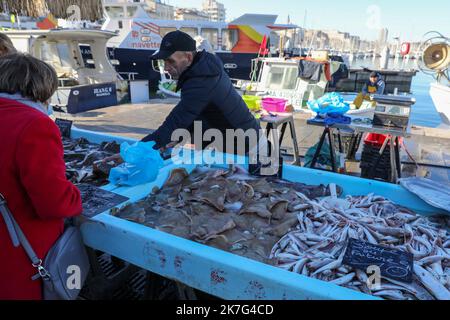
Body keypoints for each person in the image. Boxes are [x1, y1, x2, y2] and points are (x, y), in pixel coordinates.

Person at [0, 53, 82, 300]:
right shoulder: (34, 124)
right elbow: (54, 203)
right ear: (42, 88)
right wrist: (76, 193)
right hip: (19, 257)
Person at [140, 30, 262, 154]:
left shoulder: (201, 81)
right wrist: (176, 138)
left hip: (247, 145)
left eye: (171, 61)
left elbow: (173, 124)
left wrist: (133, 153)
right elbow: (194, 113)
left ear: (188, 57)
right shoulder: (203, 68)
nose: (166, 68)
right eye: (163, 61)